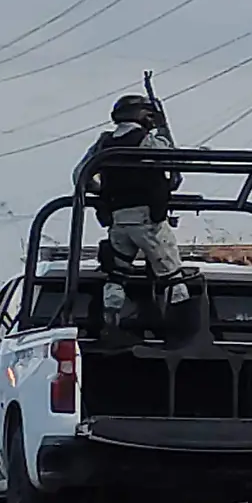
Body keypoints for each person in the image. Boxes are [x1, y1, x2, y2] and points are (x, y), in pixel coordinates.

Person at [84, 94, 186, 345]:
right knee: (172, 276)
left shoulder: (104, 143)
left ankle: (110, 325)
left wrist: (104, 192)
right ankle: (181, 329)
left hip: (118, 221)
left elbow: (81, 175)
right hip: (148, 221)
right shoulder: (146, 140)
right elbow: (173, 159)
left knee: (116, 276)